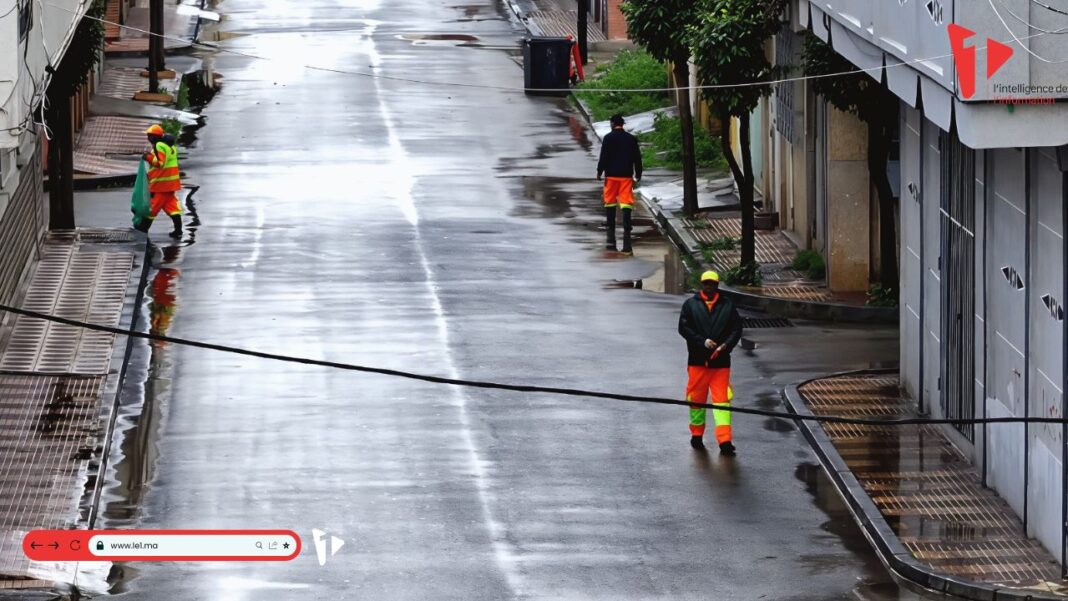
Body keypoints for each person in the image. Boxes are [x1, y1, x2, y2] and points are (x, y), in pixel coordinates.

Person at [678, 271, 743, 454]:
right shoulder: (690, 305)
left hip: (720, 363)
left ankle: (725, 440)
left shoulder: (727, 305)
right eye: (706, 283)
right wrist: (702, 342)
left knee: (722, 402)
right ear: (702, 284)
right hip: (698, 362)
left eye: (712, 283)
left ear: (717, 285)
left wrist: (725, 346)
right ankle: (696, 435)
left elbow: (736, 329)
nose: (709, 286)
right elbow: (684, 328)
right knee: (696, 400)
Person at [596, 114, 642, 254]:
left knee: (610, 201)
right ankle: (627, 227)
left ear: (612, 124)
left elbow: (603, 156)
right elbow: (637, 158)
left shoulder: (608, 138)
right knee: (626, 202)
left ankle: (611, 224)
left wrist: (599, 171)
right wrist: (638, 173)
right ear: (622, 124)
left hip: (611, 176)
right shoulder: (631, 139)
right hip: (626, 176)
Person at [136, 124, 183, 238]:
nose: (148, 138)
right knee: (172, 207)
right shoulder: (170, 147)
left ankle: (142, 230)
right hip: (170, 184)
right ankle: (178, 231)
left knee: (152, 208)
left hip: (160, 184)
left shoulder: (159, 145)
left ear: (154, 137)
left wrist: (148, 157)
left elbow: (160, 163)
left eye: (149, 135)